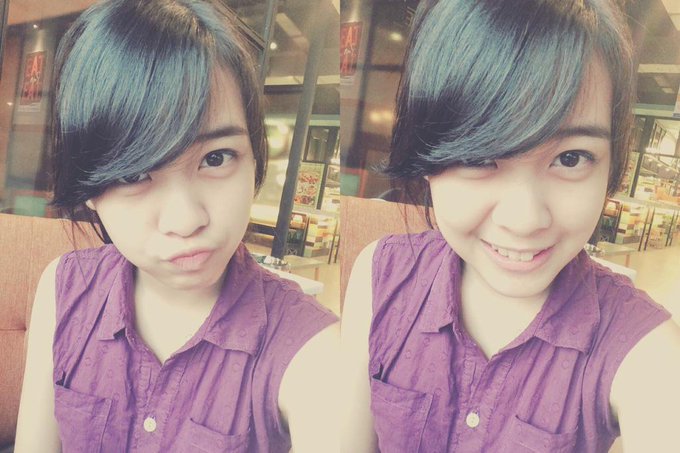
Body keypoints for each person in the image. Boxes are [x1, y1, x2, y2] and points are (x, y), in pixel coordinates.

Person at [342, 1, 680, 452]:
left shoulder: (646, 353)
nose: (524, 220)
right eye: (478, 156)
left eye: (571, 158)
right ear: (425, 156)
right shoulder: (381, 277)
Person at [14, 1, 339, 452]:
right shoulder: (65, 289)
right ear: (88, 187)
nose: (186, 221)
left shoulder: (315, 353)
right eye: (134, 173)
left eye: (216, 158)